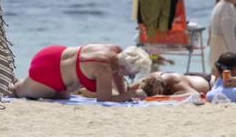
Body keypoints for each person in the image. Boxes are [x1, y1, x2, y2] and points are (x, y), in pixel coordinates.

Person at [9, 44, 151, 102]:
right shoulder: (103, 69)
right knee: (15, 92)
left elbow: (118, 74)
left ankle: (21, 81)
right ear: (123, 68)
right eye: (131, 75)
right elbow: (104, 99)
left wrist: (125, 93)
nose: (130, 77)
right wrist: (128, 95)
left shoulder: (116, 51)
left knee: (62, 97)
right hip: (50, 73)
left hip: (55, 53)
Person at [208, 0, 236, 64]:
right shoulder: (228, 8)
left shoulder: (219, 5)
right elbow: (229, 36)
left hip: (216, 53)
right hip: (225, 55)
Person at [135, 71, 211, 97]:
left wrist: (167, 97)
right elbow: (130, 88)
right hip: (188, 78)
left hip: (209, 82)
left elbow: (196, 95)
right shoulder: (148, 79)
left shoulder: (176, 82)